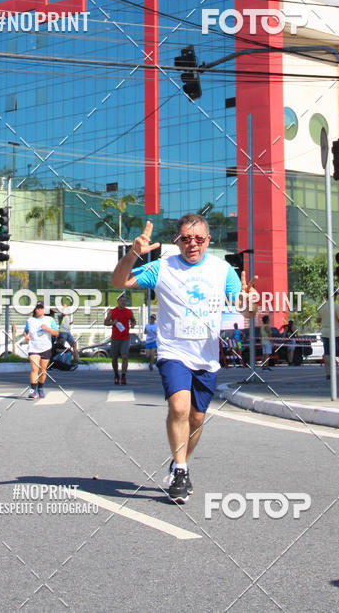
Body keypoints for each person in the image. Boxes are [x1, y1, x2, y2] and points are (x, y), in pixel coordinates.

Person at [111, 215, 255, 504]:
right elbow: (118, 282)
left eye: (199, 239)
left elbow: (245, 311)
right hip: (173, 352)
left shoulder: (223, 270)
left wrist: (250, 303)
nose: (193, 244)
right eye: (186, 239)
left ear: (208, 240)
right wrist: (134, 253)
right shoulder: (162, 267)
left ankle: (181, 463)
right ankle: (179, 471)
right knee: (179, 408)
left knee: (197, 418)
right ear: (177, 240)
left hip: (206, 356)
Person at [23, 301, 59, 398]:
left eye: (41, 308)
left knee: (43, 371)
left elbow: (56, 332)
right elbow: (25, 331)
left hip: (45, 347)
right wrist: (26, 337)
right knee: (34, 369)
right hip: (33, 347)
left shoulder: (49, 319)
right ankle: (32, 390)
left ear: (44, 309)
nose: (39, 310)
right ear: (35, 310)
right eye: (38, 308)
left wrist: (48, 329)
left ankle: (40, 387)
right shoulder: (30, 320)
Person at [316, 291, 339, 380]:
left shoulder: (321, 306)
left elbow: (317, 320)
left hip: (325, 332)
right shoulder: (335, 306)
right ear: (334, 296)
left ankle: (328, 373)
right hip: (335, 332)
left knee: (327, 353)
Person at [104, 294, 136, 385]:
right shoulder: (112, 311)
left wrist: (133, 324)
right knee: (114, 358)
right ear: (118, 302)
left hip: (125, 338)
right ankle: (116, 375)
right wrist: (112, 323)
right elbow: (105, 322)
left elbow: (133, 320)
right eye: (121, 301)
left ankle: (123, 375)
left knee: (124, 357)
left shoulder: (129, 312)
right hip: (115, 338)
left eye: (125, 301)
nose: (123, 302)